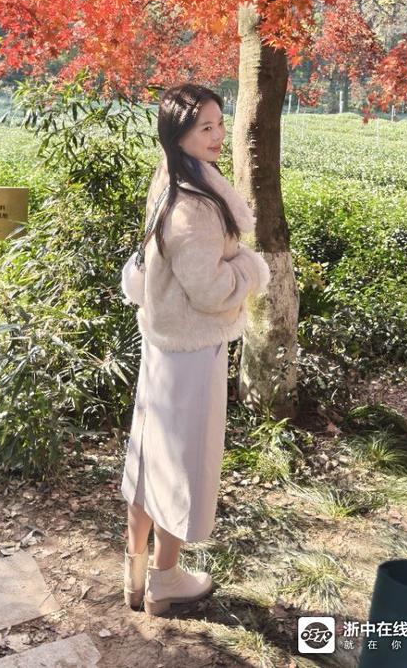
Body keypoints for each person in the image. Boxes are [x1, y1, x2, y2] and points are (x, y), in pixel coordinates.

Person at [120, 82, 270, 617]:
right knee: (182, 463)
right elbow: (210, 290)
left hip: (163, 342)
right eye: (205, 127)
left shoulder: (170, 179)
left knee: (148, 457)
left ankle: (136, 573)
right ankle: (166, 580)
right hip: (191, 348)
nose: (217, 135)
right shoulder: (195, 206)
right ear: (178, 133)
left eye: (219, 123)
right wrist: (250, 267)